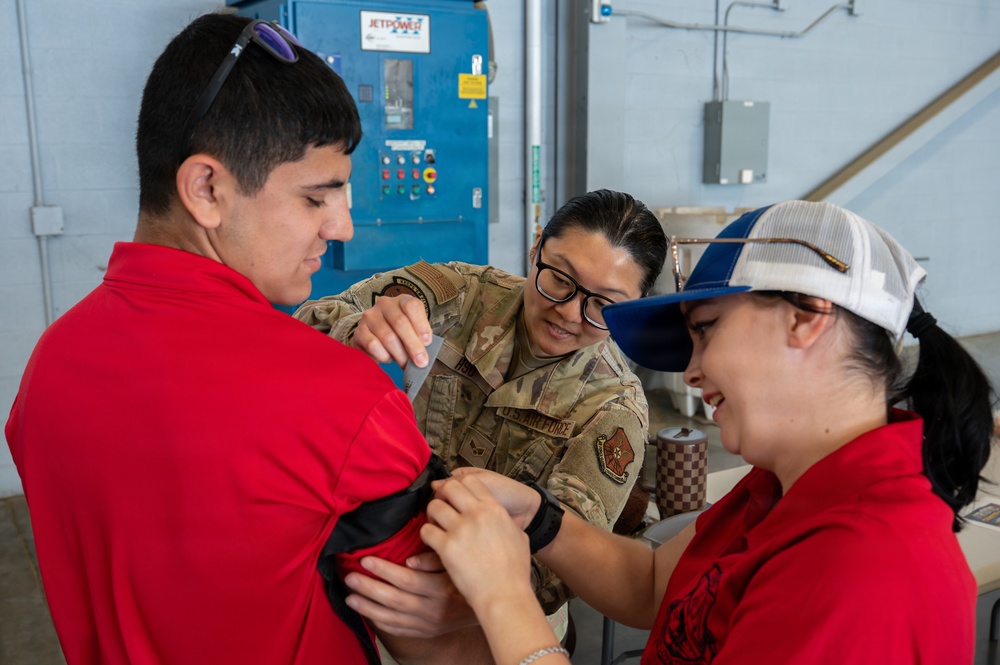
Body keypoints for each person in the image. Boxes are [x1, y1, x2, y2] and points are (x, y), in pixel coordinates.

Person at [5, 13, 437, 665]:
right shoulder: (345, 401)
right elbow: (433, 638)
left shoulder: (50, 364)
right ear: (207, 189)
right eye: (318, 198)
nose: (343, 226)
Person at [419, 200, 998, 665]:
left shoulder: (863, 568)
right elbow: (650, 586)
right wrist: (539, 519)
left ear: (805, 317)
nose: (692, 373)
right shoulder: (781, 488)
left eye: (708, 331)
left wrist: (503, 596)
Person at [294, 189, 668, 649]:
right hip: (373, 561)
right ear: (535, 250)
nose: (569, 313)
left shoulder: (613, 408)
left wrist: (470, 596)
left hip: (494, 627)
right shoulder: (460, 293)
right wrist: (358, 329)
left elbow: (571, 558)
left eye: (604, 305)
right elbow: (307, 324)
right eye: (559, 279)